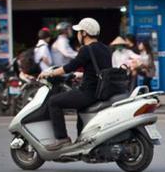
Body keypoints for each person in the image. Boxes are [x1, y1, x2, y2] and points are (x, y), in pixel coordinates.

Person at [37, 17, 111, 151]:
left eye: (79, 32)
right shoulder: (105, 48)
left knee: (54, 101)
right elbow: (102, 71)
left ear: (84, 33)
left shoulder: (86, 49)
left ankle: (62, 139)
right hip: (101, 91)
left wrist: (49, 73)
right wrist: (83, 75)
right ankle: (82, 140)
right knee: (78, 107)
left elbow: (69, 67)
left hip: (89, 93)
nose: (77, 34)